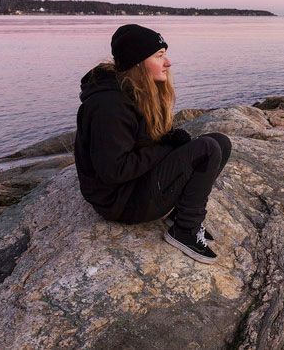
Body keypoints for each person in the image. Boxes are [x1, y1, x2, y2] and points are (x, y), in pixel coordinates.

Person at [74, 24, 231, 264]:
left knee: (220, 141)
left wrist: (167, 143)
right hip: (120, 202)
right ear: (137, 62)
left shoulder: (136, 91)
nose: (168, 62)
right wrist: (167, 148)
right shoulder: (108, 107)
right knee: (207, 150)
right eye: (159, 56)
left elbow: (142, 145)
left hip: (136, 186)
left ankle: (181, 215)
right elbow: (114, 170)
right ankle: (185, 231)